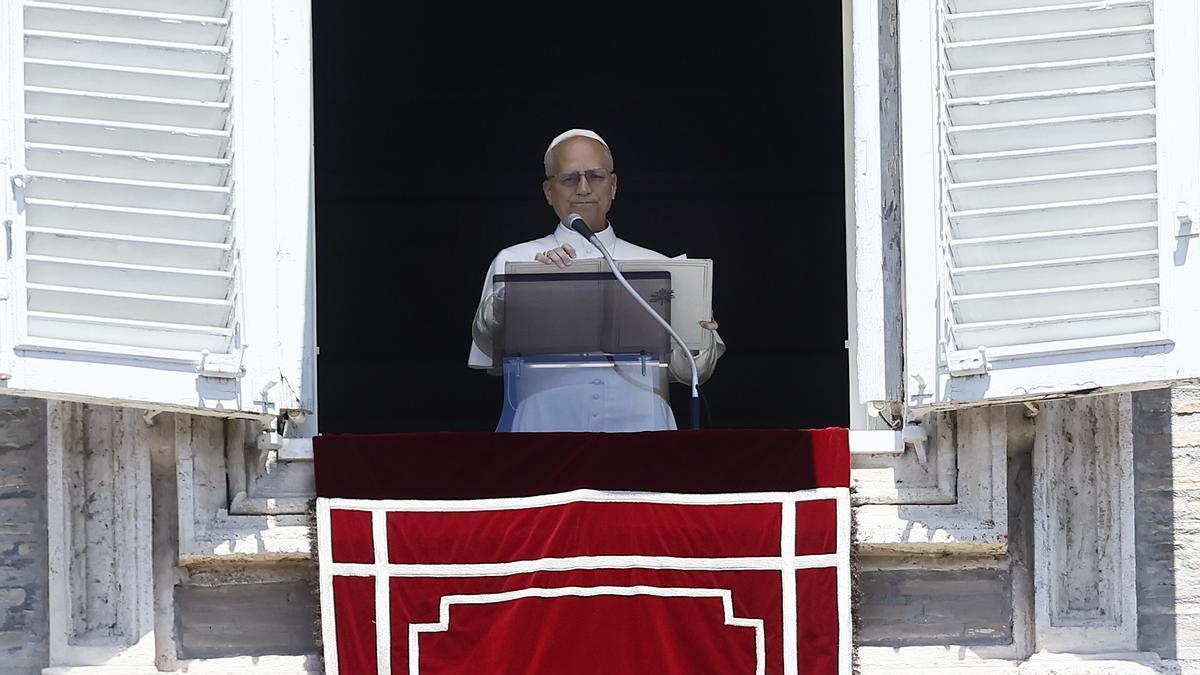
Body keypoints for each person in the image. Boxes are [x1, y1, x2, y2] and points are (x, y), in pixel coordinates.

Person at [468, 129, 725, 431]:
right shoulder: (516, 260)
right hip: (546, 423)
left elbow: (692, 370)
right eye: (569, 178)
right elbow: (487, 341)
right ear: (549, 191)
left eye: (596, 176)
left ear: (613, 186)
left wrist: (698, 329)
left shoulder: (659, 266)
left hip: (641, 424)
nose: (584, 188)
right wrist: (529, 287)